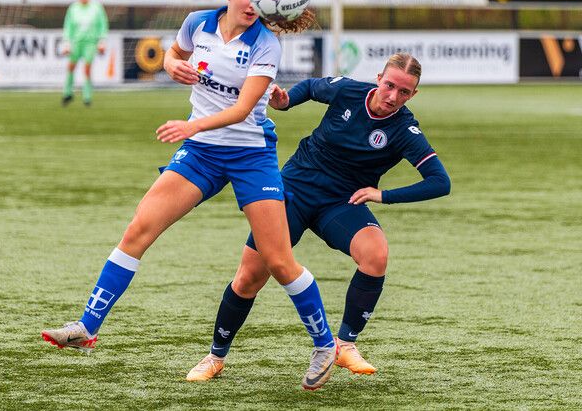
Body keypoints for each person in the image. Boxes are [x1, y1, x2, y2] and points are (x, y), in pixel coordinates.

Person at [42, 0, 340, 390]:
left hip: (249, 154)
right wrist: (169, 64)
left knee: (277, 260)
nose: (250, 3)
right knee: (138, 229)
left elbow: (241, 110)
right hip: (201, 153)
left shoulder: (266, 45)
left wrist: (192, 125)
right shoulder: (197, 23)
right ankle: (88, 328)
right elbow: (175, 54)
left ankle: (325, 343)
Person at [186, 53, 451, 381]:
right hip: (294, 190)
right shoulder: (349, 90)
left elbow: (440, 182)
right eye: (389, 86)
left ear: (414, 95)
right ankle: (215, 356)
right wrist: (287, 101)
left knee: (376, 254)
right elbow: (312, 87)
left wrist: (383, 195)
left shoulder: (404, 129)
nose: (393, 97)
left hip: (341, 203)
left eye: (404, 92)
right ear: (379, 78)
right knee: (249, 276)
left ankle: (345, 345)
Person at [61, 0, 108, 107]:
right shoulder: (73, 8)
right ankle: (67, 93)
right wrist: (66, 43)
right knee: (71, 67)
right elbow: (68, 26)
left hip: (90, 43)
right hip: (76, 42)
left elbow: (103, 25)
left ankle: (87, 97)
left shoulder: (96, 8)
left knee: (87, 69)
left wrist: (102, 41)